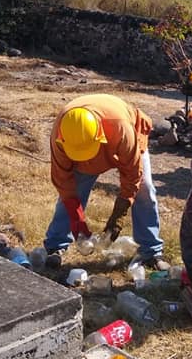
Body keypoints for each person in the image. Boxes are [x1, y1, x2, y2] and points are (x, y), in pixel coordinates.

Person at [44, 93, 169, 271]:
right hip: (88, 151)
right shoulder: (61, 135)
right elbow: (63, 180)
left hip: (118, 142)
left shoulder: (121, 129)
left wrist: (119, 213)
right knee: (72, 192)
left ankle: (152, 251)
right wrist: (76, 217)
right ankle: (55, 247)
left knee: (144, 189)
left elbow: (132, 174)